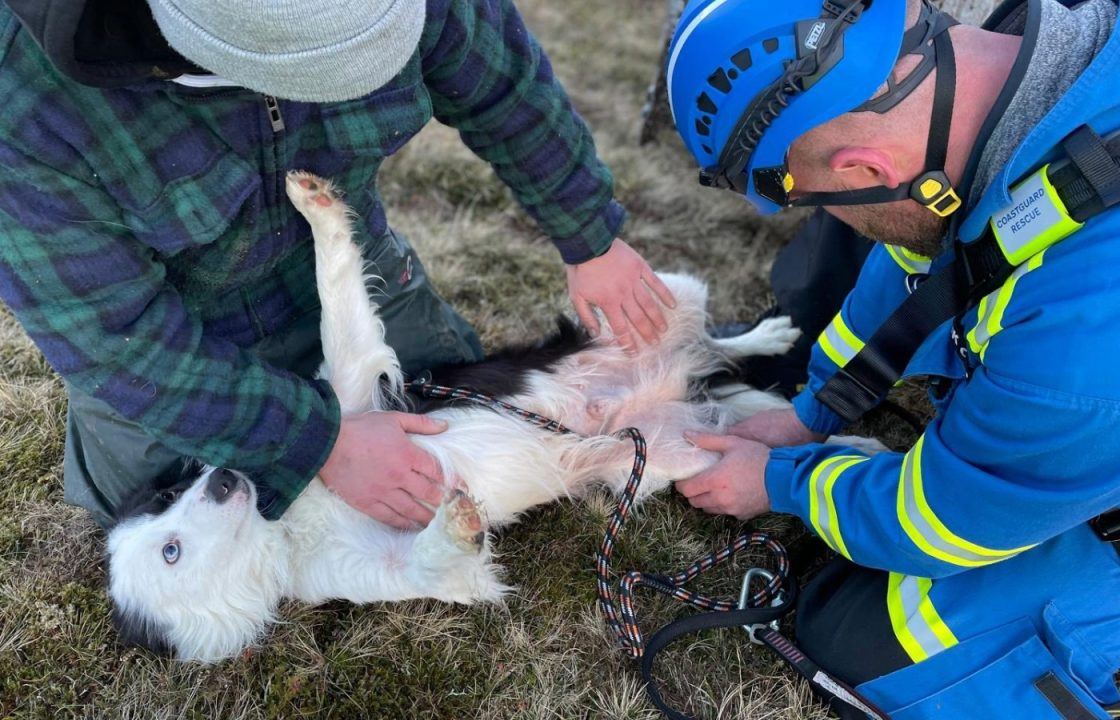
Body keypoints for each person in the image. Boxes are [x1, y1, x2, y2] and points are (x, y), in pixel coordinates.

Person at [0, 0, 676, 530]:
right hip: (177, 343)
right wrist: (320, 443)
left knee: (470, 447)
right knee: (188, 533)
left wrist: (590, 237)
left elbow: (503, 86)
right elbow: (112, 340)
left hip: (352, 273)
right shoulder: (28, 102)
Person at [667, 0, 1120, 717]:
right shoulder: (1024, 97)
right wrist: (812, 413)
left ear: (862, 165)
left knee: (876, 637)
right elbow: (924, 261)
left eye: (825, 203)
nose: (841, 224)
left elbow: (942, 522)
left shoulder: (1083, 329)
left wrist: (780, 482)